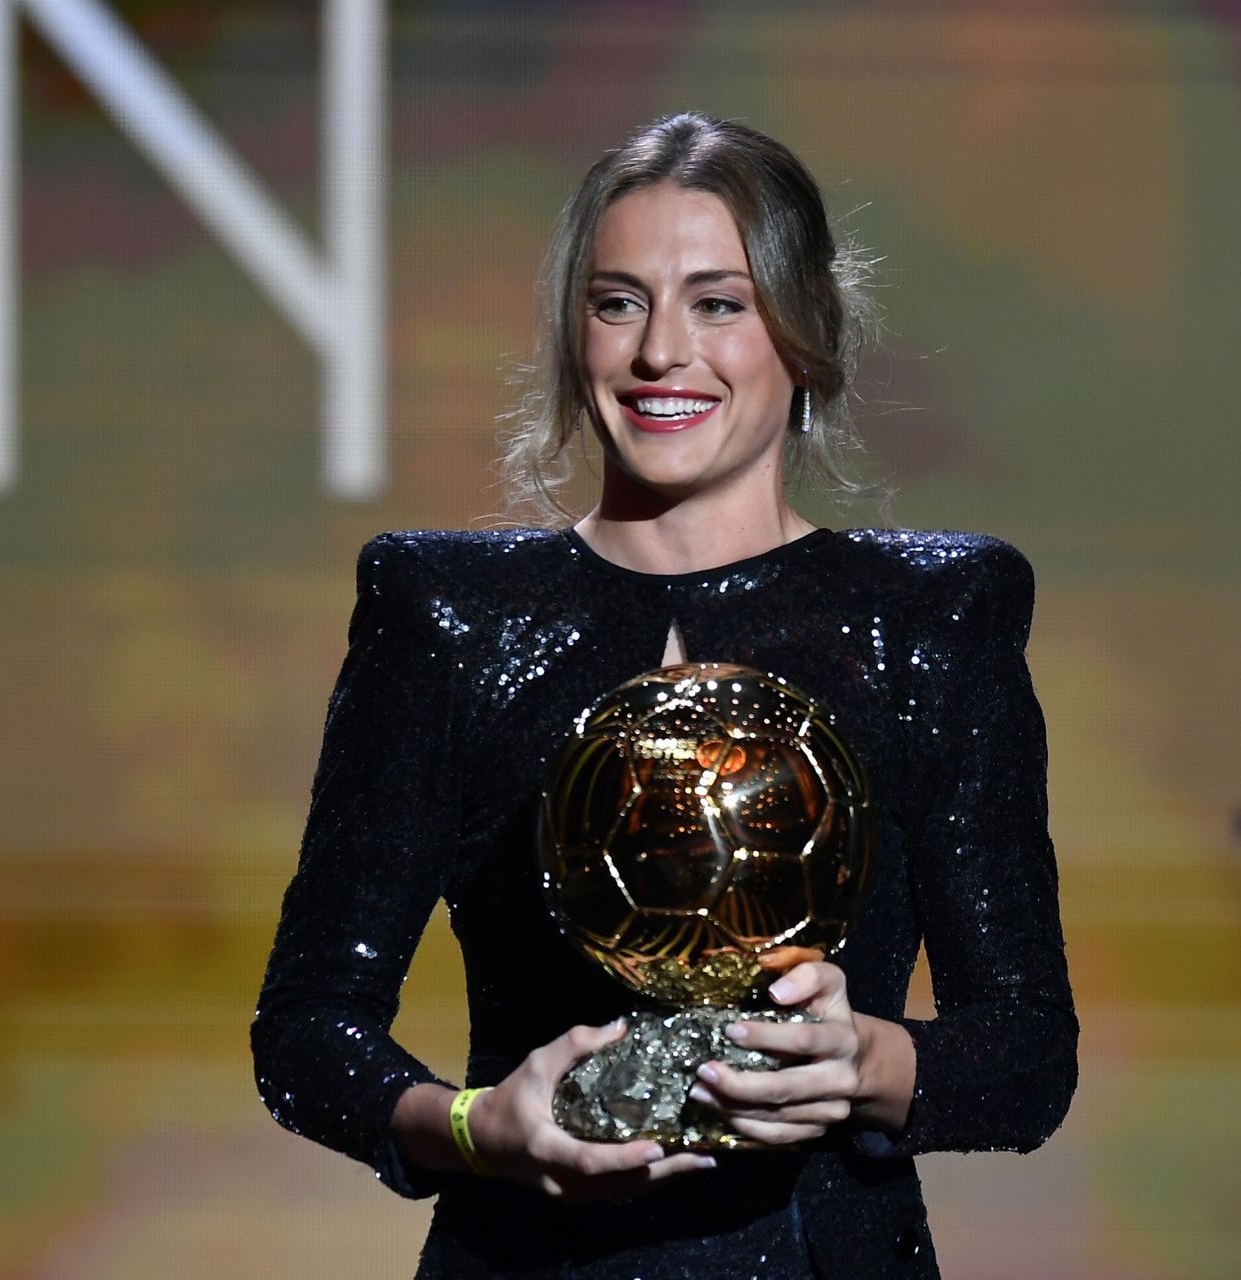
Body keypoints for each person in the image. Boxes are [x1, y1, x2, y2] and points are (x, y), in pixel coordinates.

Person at [250, 112, 1077, 1279]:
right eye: (618, 300)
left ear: (805, 331)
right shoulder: (446, 613)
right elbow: (306, 1029)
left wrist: (870, 1060)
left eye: (719, 302)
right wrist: (478, 1126)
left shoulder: (931, 619)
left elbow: (1030, 1055)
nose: (659, 353)